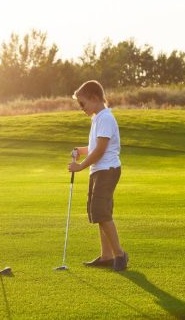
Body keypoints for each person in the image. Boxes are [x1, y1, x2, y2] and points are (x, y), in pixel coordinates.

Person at [68, 80, 128, 271]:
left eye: (82, 103)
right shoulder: (97, 118)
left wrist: (81, 166)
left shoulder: (105, 118)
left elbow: (101, 150)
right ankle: (106, 256)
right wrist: (81, 150)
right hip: (99, 170)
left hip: (106, 170)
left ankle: (119, 254)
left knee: (101, 211)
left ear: (94, 98)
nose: (81, 108)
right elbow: (94, 147)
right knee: (99, 212)